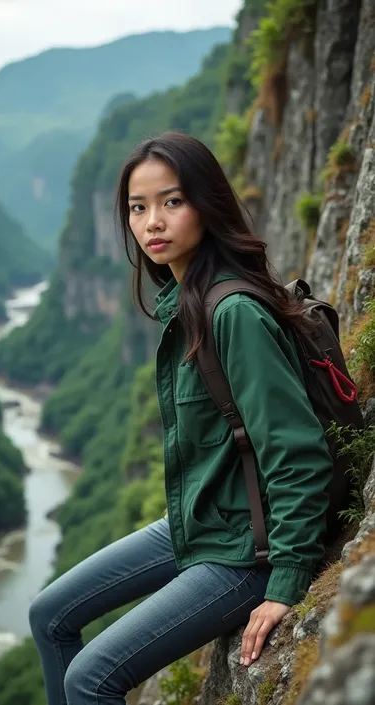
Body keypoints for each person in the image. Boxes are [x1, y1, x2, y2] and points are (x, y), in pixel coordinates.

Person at [28, 131, 333, 705]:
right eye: (138, 209)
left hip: (248, 550)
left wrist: (287, 584)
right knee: (49, 615)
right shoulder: (185, 303)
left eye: (171, 202)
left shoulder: (233, 313)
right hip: (200, 518)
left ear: (206, 203)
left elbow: (297, 453)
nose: (152, 223)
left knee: (88, 679)